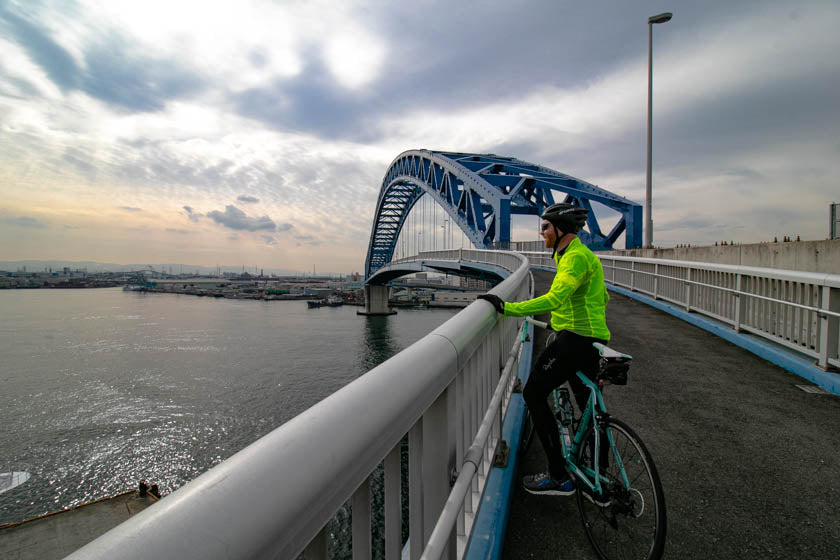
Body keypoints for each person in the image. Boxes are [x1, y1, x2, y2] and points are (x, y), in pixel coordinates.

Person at [477, 203, 610, 496]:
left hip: (575, 341)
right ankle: (600, 476)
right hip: (593, 339)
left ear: (561, 229)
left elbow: (554, 298)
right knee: (587, 402)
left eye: (546, 226)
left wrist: (508, 308)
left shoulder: (574, 258)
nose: (542, 232)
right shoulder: (582, 256)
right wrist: (560, 323)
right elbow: (601, 298)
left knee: (534, 393)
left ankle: (558, 476)